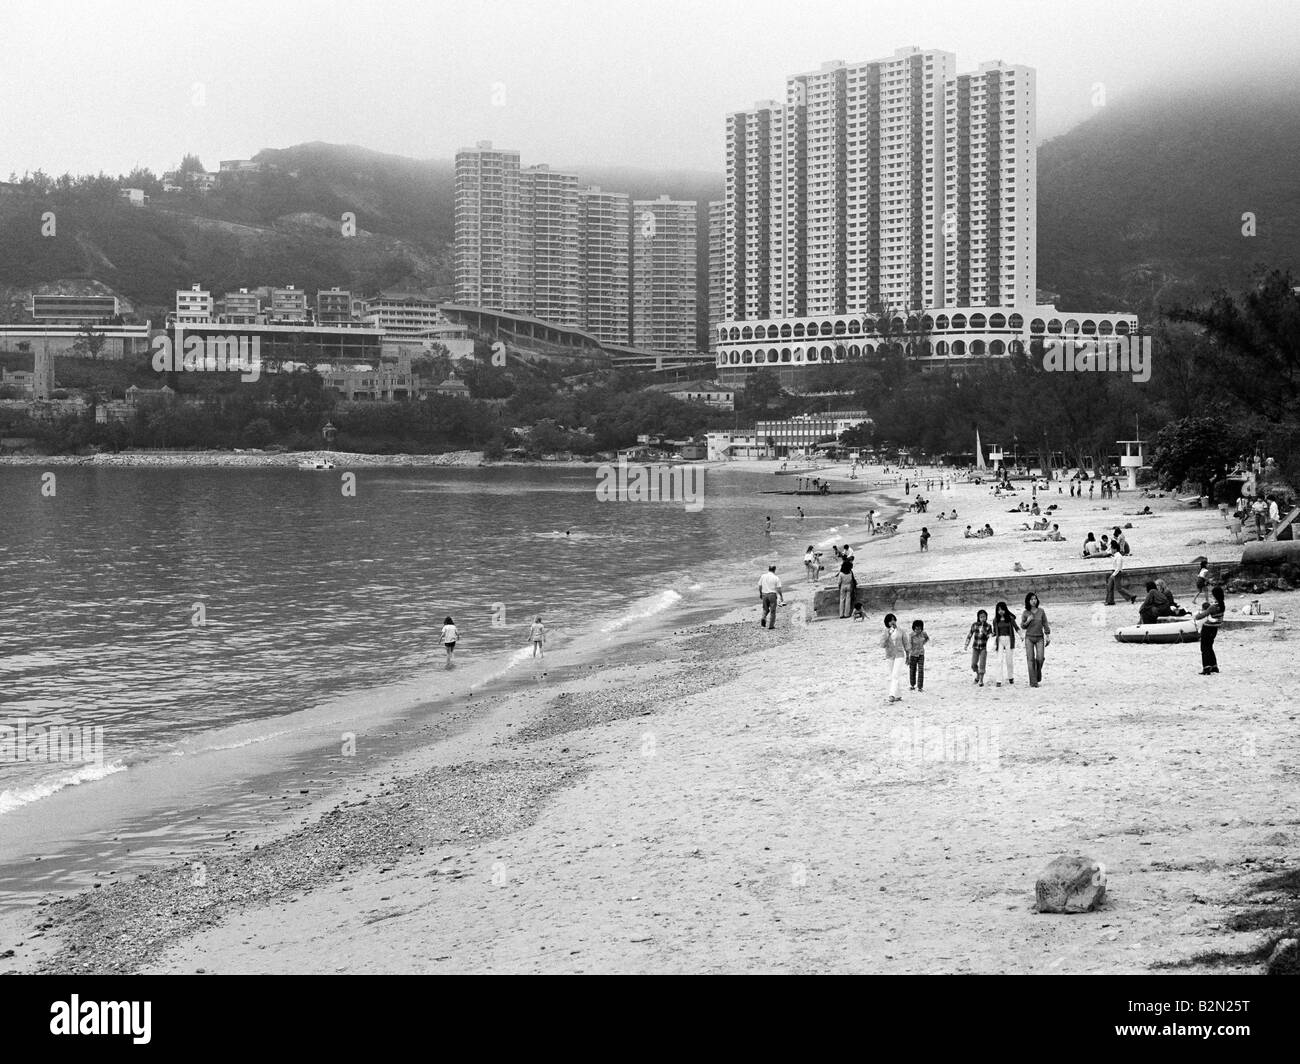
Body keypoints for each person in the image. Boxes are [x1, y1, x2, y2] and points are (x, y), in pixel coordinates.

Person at [1020, 593, 1051, 687]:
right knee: (1030, 660)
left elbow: (1045, 623)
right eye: (1031, 599)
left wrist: (1048, 635)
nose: (1034, 601)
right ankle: (1033, 682)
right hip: (1029, 637)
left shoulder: (1041, 611)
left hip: (1040, 638)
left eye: (1035, 599)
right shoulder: (1025, 612)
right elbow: (1022, 626)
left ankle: (1037, 674)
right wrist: (1028, 620)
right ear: (1028, 601)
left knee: (1040, 658)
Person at [1194, 586, 1226, 674]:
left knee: (1204, 648)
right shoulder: (1222, 605)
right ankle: (1214, 666)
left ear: (1215, 595)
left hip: (1207, 628)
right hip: (1214, 629)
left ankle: (1206, 667)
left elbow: (1202, 615)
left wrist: (1196, 615)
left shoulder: (1213, 607)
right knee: (1210, 647)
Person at [990, 601, 1019, 686]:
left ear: (1005, 609)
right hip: (999, 641)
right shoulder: (995, 620)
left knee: (1009, 660)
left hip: (1009, 640)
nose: (1001, 611)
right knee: (999, 661)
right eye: (998, 610)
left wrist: (1021, 635)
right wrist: (991, 635)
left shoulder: (1010, 618)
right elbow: (994, 632)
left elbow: (1016, 627)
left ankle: (1010, 677)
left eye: (1002, 609)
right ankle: (999, 680)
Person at [881, 613, 908, 703]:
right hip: (889, 656)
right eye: (890, 620)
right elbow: (882, 644)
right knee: (892, 675)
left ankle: (891, 694)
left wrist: (908, 655)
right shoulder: (885, 631)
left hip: (899, 655)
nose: (892, 622)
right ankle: (898, 695)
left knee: (895, 675)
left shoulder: (901, 631)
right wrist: (888, 634)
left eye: (894, 620)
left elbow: (906, 643)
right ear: (887, 622)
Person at [964, 609, 992, 686]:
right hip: (975, 647)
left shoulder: (988, 626)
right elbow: (970, 635)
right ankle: (978, 674)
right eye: (981, 617)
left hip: (984, 647)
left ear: (986, 617)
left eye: (984, 617)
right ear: (978, 617)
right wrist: (966, 644)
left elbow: (990, 637)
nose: (983, 618)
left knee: (982, 664)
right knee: (973, 664)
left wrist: (985, 632)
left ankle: (981, 680)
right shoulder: (974, 625)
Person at [905, 619, 929, 692]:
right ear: (914, 628)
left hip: (921, 654)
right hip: (913, 655)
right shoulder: (911, 635)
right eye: (916, 629)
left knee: (921, 670)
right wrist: (908, 657)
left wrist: (922, 644)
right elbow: (909, 646)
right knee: (912, 670)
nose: (918, 630)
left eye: (919, 629)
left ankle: (920, 687)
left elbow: (927, 639)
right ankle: (912, 685)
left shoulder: (924, 633)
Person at [758, 564, 784, 629]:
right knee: (773, 610)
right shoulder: (776, 578)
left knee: (765, 609)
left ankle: (763, 619)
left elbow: (760, 586)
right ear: (774, 570)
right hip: (772, 594)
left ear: (768, 569)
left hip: (764, 594)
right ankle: (771, 626)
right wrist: (781, 596)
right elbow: (778, 589)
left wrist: (760, 593)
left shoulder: (763, 576)